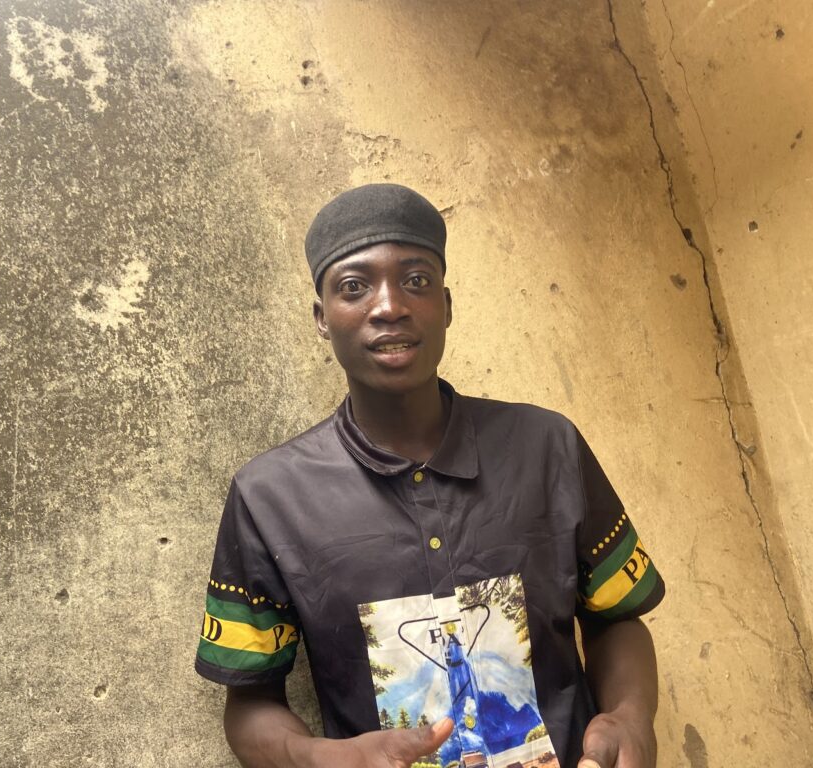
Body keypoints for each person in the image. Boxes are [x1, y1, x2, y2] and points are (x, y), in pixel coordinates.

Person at [194, 184, 665, 768]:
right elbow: (250, 699)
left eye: (415, 281)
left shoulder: (548, 447)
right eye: (354, 287)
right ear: (322, 318)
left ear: (446, 304)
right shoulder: (268, 497)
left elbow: (617, 618)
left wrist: (630, 720)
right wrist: (314, 758)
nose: (389, 305)